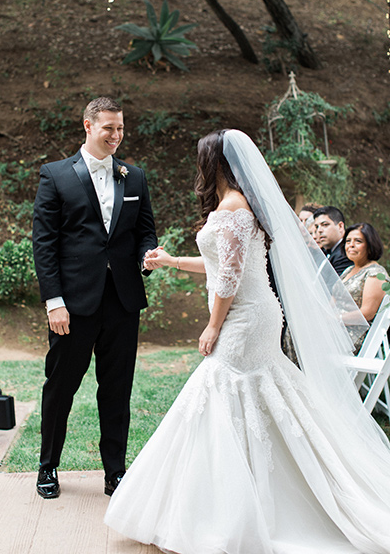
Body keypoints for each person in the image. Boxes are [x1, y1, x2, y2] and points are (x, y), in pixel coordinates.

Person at [105, 129, 390, 554]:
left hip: (245, 317)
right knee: (256, 394)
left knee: (222, 390)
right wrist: (170, 261)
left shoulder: (235, 208)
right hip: (250, 313)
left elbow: (230, 278)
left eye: (201, 159)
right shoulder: (236, 207)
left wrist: (213, 326)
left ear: (214, 163)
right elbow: (219, 261)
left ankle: (227, 512)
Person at [32, 97, 157, 499]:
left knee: (117, 389)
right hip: (72, 305)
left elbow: (146, 232)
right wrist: (54, 302)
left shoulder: (134, 177)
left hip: (122, 301)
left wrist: (146, 255)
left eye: (121, 128)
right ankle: (48, 466)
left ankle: (114, 473)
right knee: (61, 386)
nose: (117, 136)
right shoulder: (55, 175)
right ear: (88, 126)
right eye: (109, 128)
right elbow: (44, 244)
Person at [341, 222, 390, 352]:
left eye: (358, 241)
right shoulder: (348, 270)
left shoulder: (375, 273)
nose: (351, 245)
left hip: (354, 336)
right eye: (348, 241)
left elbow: (367, 313)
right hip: (336, 328)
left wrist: (335, 320)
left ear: (370, 245)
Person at [313, 205, 352, 275]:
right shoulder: (323, 252)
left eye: (325, 225)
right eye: (317, 227)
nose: (319, 230)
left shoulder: (346, 253)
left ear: (340, 226)